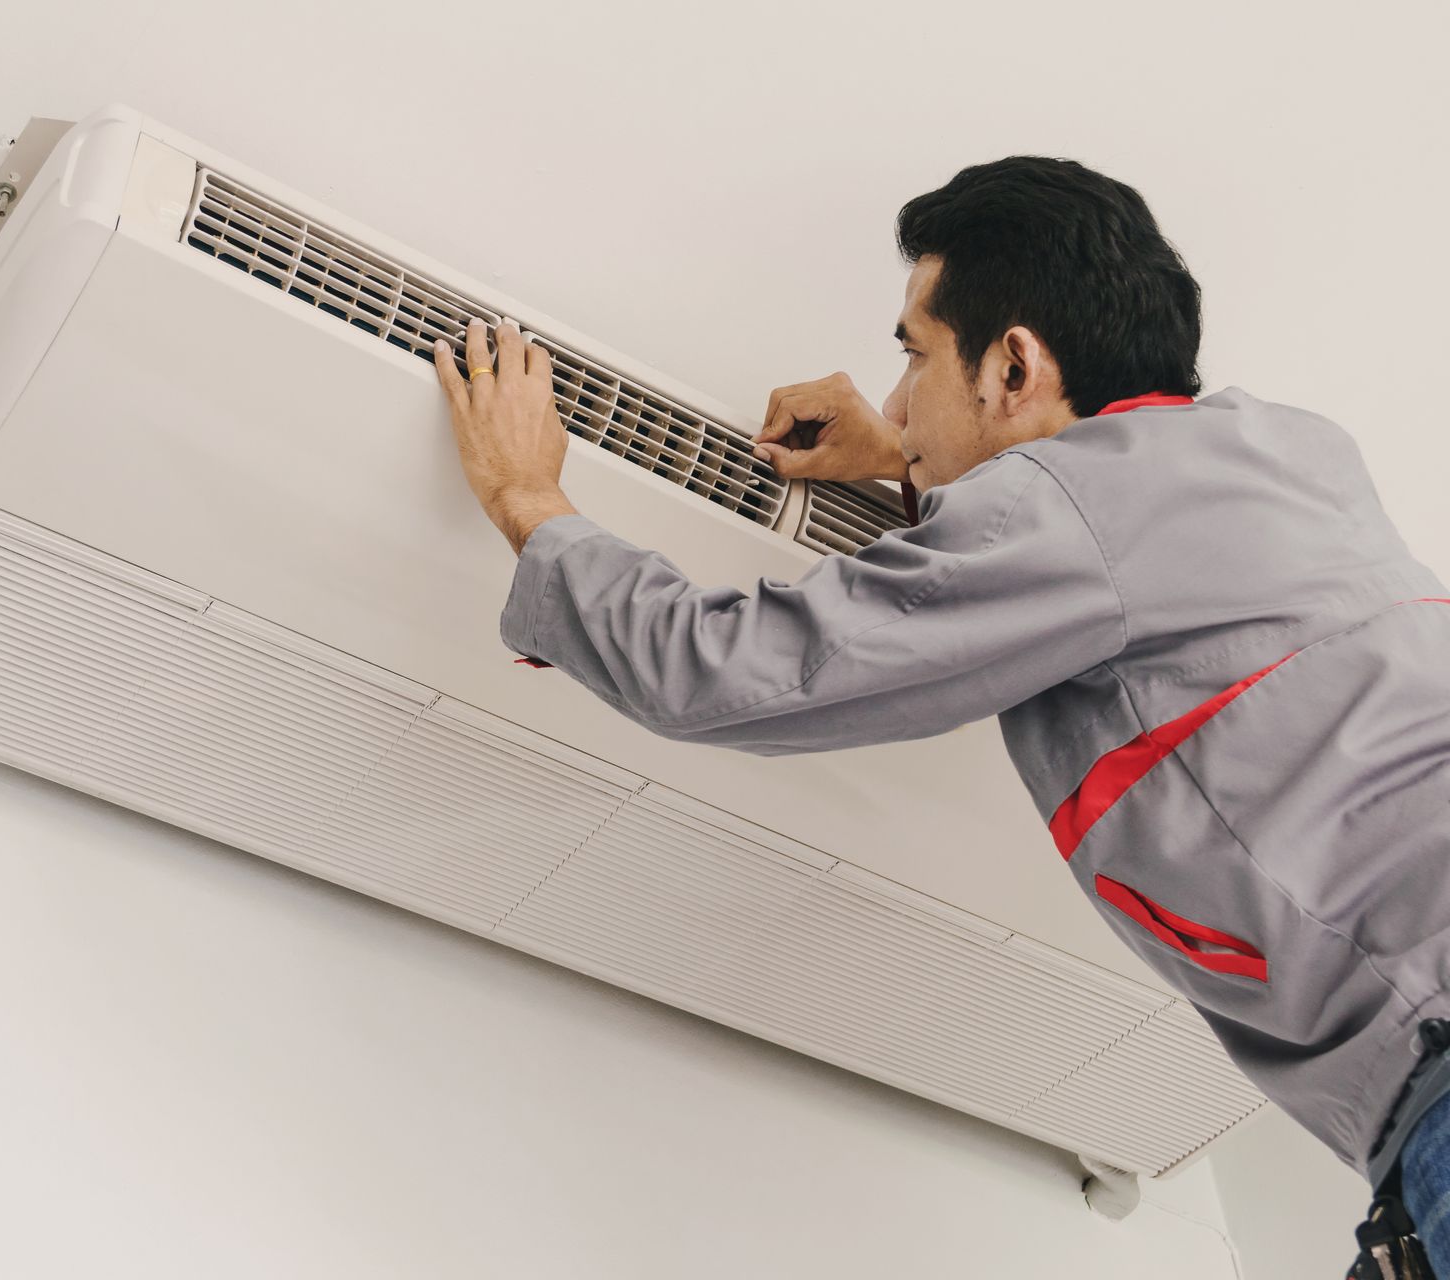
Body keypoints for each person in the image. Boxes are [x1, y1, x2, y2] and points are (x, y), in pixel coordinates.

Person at [432, 156, 1450, 1270]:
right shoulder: (1291, 449)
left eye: (915, 355)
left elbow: (732, 671)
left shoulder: (1074, 515)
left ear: (1012, 362)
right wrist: (924, 459)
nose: (899, 397)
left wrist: (532, 501)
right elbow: (1103, 548)